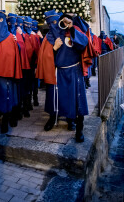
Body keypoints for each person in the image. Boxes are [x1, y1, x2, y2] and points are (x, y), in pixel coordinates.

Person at [37, 10, 92, 142]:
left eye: (57, 21)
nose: (55, 25)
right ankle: (52, 117)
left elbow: (83, 44)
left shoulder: (72, 31)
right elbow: (44, 57)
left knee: (77, 100)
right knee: (55, 97)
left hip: (74, 71)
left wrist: (71, 27)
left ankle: (78, 127)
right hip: (57, 72)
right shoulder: (49, 37)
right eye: (51, 23)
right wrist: (54, 49)